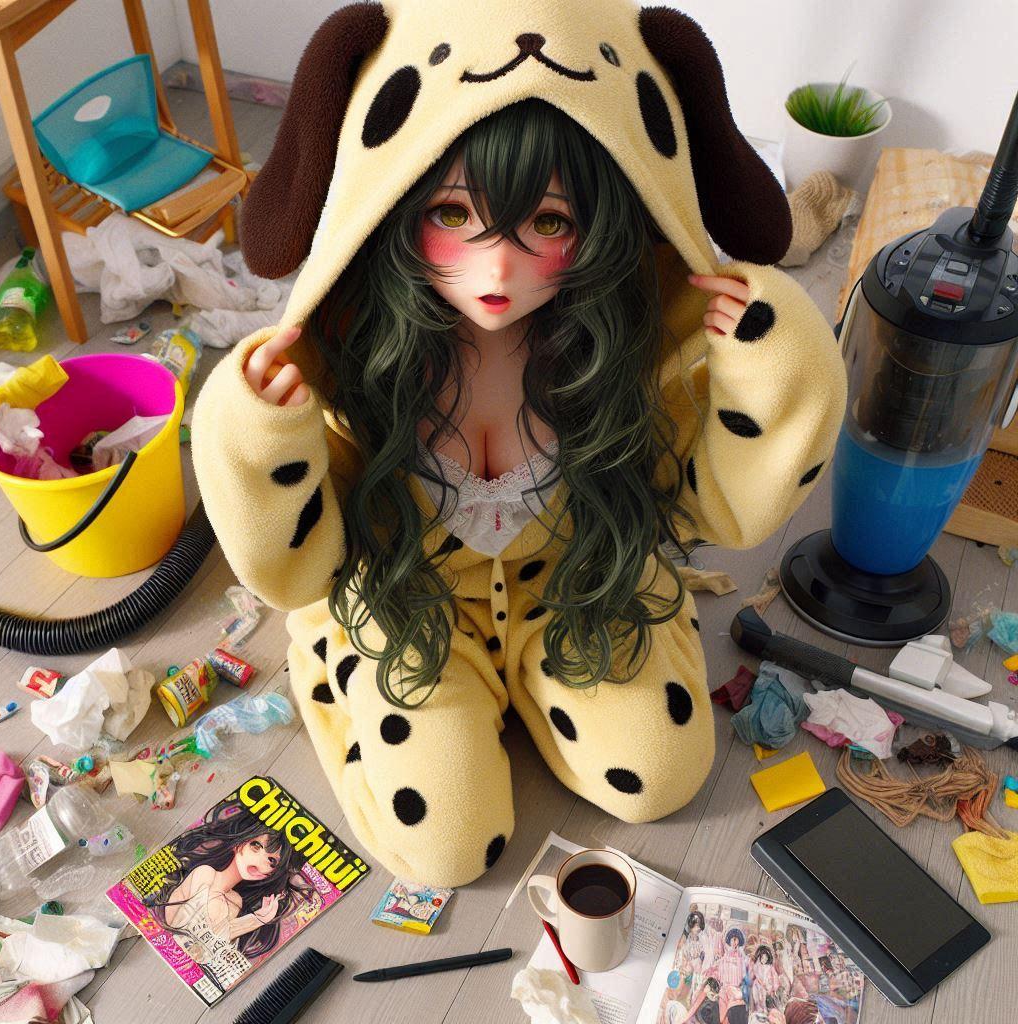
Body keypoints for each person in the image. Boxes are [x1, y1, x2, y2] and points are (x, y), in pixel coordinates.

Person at [192, 0, 846, 886]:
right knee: (446, 844)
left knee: (660, 772)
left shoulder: (626, 345)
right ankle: (346, 668)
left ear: (604, 220)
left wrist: (773, 366)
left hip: (580, 583)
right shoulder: (356, 353)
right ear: (392, 198)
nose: (496, 268)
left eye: (549, 223)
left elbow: (717, 505)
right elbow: (295, 559)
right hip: (408, 597)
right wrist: (261, 433)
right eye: (452, 212)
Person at [151, 801, 312, 962]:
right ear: (239, 842)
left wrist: (258, 919)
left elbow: (217, 939)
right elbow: (174, 924)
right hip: (166, 951)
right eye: (256, 846)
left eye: (272, 861)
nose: (260, 860)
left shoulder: (236, 901)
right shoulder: (205, 873)